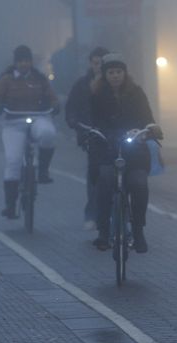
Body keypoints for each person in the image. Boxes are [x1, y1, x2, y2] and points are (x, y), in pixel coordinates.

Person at [90, 53, 162, 253]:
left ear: (125, 73)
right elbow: (93, 121)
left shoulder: (136, 93)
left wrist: (150, 129)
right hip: (107, 149)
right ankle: (103, 232)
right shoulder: (97, 95)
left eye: (119, 72)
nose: (115, 76)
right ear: (105, 75)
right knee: (104, 181)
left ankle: (138, 231)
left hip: (134, 149)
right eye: (111, 72)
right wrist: (96, 134)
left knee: (139, 183)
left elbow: (147, 117)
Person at [0, 45, 60, 219]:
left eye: (27, 61)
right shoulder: (6, 80)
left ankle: (43, 171)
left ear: (31, 62)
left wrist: (55, 105)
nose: (24, 64)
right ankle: (11, 206)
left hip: (38, 118)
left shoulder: (40, 79)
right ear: (15, 63)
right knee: (13, 161)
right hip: (13, 122)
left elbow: (52, 97)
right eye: (20, 61)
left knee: (48, 134)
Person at [65, 46, 109, 230]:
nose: (99, 67)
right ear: (91, 64)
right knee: (95, 174)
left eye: (102, 63)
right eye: (95, 63)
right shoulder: (82, 84)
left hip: (114, 134)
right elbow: (71, 108)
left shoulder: (117, 82)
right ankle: (91, 213)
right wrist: (75, 123)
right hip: (91, 135)